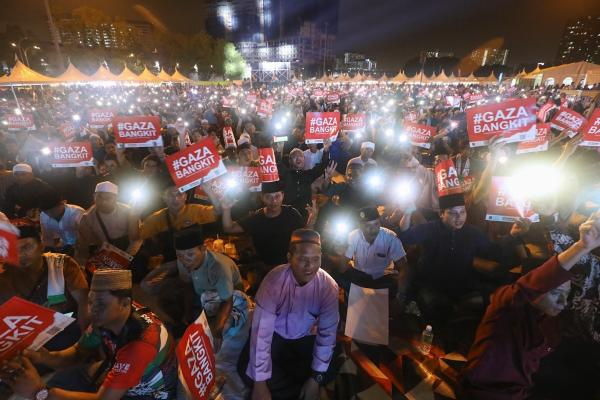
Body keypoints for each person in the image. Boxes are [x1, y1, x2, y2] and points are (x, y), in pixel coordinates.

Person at [461, 213, 600, 400]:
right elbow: (530, 285)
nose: (563, 302)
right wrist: (582, 246)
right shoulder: (505, 306)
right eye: (555, 294)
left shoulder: (550, 321)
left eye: (565, 295)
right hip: (484, 393)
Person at [0, 269, 177, 399]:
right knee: (59, 383)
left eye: (100, 303)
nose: (92, 310)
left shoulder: (139, 346)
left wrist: (39, 392)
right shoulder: (109, 317)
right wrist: (45, 357)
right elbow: (79, 352)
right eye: (90, 302)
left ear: (124, 303)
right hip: (118, 373)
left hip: (147, 395)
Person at [397, 192, 528, 327]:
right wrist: (407, 213)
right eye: (453, 213)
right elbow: (406, 236)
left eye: (462, 212)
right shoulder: (431, 229)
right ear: (442, 214)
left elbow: (493, 252)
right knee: (438, 310)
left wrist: (512, 235)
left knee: (498, 300)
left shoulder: (472, 232)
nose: (459, 217)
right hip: (432, 286)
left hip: (463, 285)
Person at [238, 229, 340, 400]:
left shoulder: (328, 286)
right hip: (275, 337)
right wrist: (260, 384)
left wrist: (315, 379)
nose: (310, 266)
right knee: (247, 369)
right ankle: (305, 392)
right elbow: (262, 334)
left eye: (316, 259)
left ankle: (304, 388)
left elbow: (327, 334)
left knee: (330, 359)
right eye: (303, 259)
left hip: (305, 339)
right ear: (289, 257)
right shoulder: (273, 281)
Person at [0, 223, 89, 347]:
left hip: (69, 329)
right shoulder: (5, 279)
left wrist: (84, 340)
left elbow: (84, 302)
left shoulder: (62, 264)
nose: (21, 255)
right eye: (15, 251)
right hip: (32, 339)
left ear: (41, 245)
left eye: (26, 247)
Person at [222, 180, 307, 267]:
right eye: (268, 197)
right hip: (265, 267)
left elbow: (305, 237)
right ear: (262, 197)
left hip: (290, 265)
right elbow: (229, 228)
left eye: (277, 196)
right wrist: (226, 209)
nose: (274, 201)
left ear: (283, 195)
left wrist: (312, 220)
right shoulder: (256, 217)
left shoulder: (292, 213)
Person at [139, 183, 218, 263]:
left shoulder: (195, 210)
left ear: (185, 197)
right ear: (164, 198)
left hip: (195, 260)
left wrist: (210, 192)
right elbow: (138, 236)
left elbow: (217, 212)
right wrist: (134, 214)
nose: (176, 199)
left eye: (179, 194)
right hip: (169, 261)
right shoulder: (157, 218)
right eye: (170, 195)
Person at [337, 206, 407, 297]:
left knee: (393, 284)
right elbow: (342, 269)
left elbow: (404, 266)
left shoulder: (390, 237)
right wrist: (343, 252)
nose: (372, 229)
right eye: (367, 226)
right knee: (339, 277)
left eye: (376, 224)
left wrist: (400, 292)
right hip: (359, 276)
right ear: (359, 225)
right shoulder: (353, 236)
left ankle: (362, 294)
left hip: (382, 277)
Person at [76, 181, 141, 267]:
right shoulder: (87, 218)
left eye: (108, 198)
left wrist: (127, 256)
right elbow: (83, 245)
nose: (104, 202)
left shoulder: (129, 212)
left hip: (129, 253)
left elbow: (136, 238)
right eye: (99, 197)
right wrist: (82, 265)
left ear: (116, 198)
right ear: (94, 197)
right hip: (106, 255)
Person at [39, 190, 85, 255]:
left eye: (53, 210)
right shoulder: (43, 215)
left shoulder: (77, 213)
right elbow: (47, 238)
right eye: (47, 212)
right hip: (64, 245)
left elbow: (85, 236)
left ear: (63, 202)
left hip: (83, 243)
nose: (50, 214)